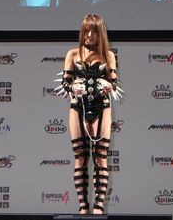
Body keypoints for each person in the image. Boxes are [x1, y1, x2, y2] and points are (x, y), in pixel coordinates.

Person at [54, 14, 122, 214]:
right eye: (86, 31)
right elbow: (65, 83)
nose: (89, 35)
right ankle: (83, 206)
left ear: (100, 33)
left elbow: (114, 83)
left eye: (93, 31)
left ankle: (99, 206)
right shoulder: (72, 54)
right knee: (80, 157)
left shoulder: (108, 55)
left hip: (102, 107)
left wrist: (108, 85)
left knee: (101, 157)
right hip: (78, 107)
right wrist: (72, 86)